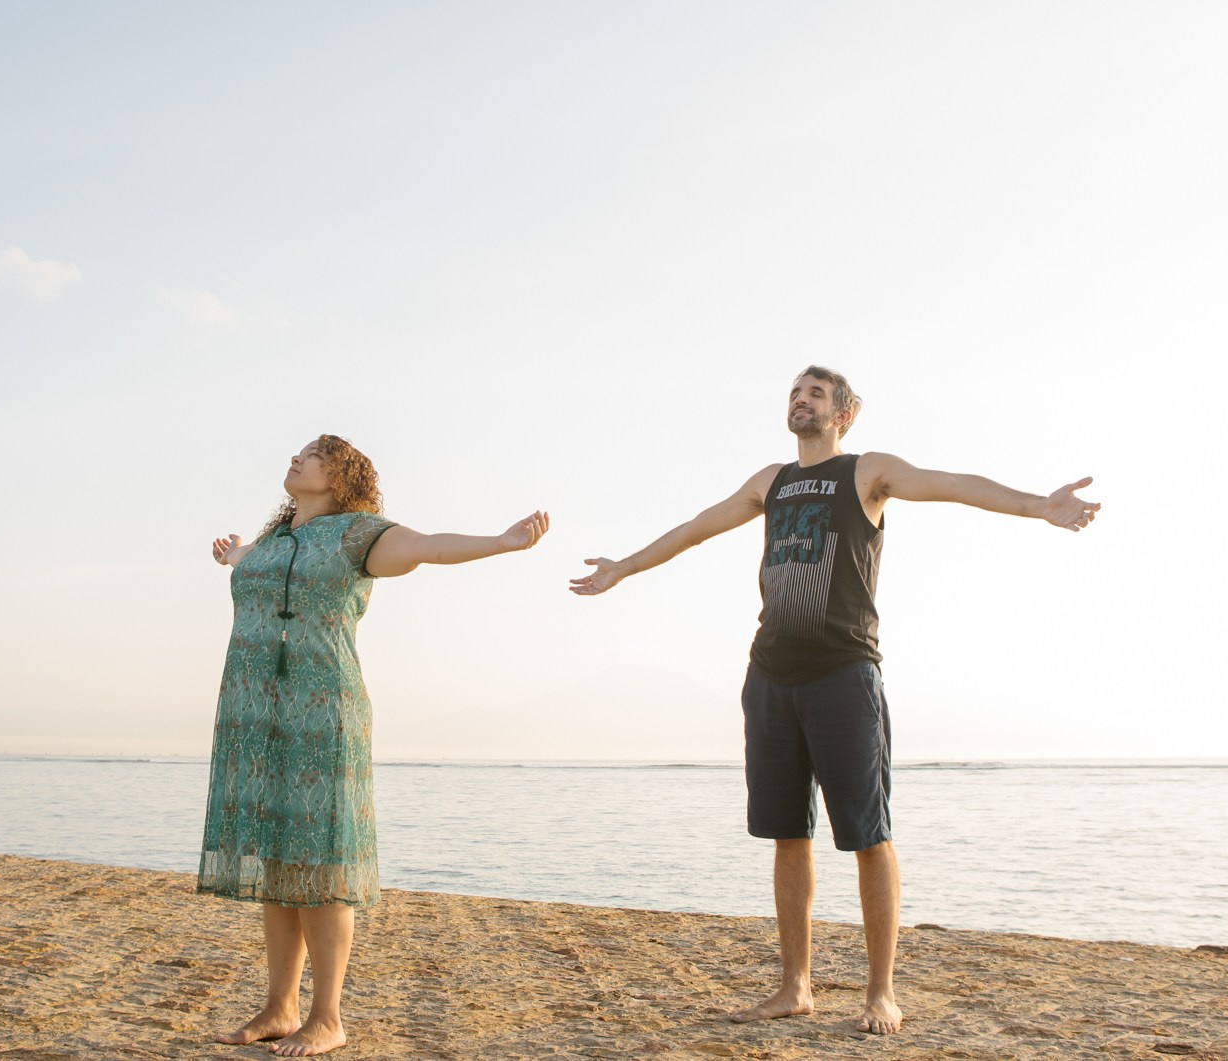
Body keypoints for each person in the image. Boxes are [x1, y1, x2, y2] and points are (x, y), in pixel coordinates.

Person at [569, 366, 1099, 1035]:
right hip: (770, 676)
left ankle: (881, 991)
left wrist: (1036, 505)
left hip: (843, 675)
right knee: (788, 835)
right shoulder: (771, 481)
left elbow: (955, 485)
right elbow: (696, 528)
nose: (801, 398)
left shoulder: (867, 471)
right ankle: (795, 985)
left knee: (868, 836)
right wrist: (624, 566)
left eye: (816, 393)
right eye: (795, 390)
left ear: (842, 413)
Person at [203, 433, 549, 1057]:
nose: (296, 456)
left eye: (313, 453)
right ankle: (280, 1008)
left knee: (322, 864)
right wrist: (236, 555)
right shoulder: (275, 539)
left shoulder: (360, 534)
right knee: (279, 861)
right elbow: (254, 566)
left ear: (341, 475)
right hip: (255, 714)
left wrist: (502, 542)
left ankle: (327, 1017)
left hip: (323, 714)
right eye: (299, 449)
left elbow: (429, 547)